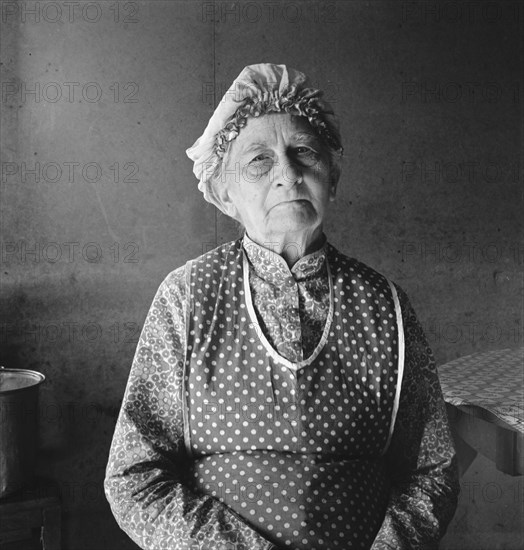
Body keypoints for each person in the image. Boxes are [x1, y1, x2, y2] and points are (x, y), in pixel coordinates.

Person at [104, 63, 459, 550]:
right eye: (259, 161)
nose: (288, 175)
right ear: (225, 193)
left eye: (304, 153)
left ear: (331, 179)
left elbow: (432, 471)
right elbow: (133, 475)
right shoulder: (187, 297)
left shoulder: (386, 306)